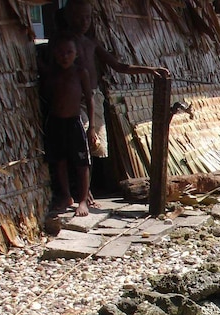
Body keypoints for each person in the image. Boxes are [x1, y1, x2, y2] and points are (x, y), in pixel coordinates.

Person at [57, 0, 169, 205]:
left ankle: (86, 190)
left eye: (87, 18)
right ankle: (80, 193)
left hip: (93, 96)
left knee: (93, 145)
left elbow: (119, 66)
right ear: (67, 17)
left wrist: (149, 69)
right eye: (78, 17)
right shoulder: (63, 46)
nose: (83, 22)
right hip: (73, 99)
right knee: (77, 143)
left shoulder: (91, 43)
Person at [41, 35, 95, 217]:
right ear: (55, 54)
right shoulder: (52, 73)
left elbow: (89, 99)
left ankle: (82, 199)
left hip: (74, 122)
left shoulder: (80, 73)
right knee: (60, 161)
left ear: (76, 54)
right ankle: (66, 196)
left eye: (69, 52)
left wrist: (92, 126)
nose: (65, 56)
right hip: (56, 122)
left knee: (82, 163)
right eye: (61, 53)